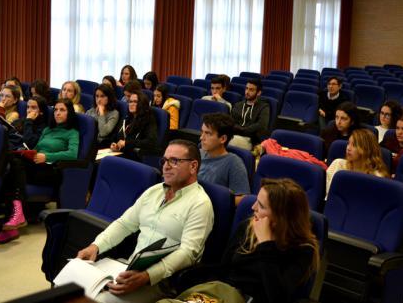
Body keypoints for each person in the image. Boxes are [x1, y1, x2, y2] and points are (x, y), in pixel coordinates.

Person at [76, 140, 214, 303]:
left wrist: (147, 276)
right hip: (130, 268)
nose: (166, 166)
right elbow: (125, 224)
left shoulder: (200, 204)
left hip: (161, 283)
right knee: (72, 289)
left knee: (97, 300)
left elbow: (188, 253)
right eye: (164, 160)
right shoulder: (154, 191)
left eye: (174, 161)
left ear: (193, 166)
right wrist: (96, 246)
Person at [157, 178, 319, 303]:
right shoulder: (247, 228)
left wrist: (266, 245)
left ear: (281, 216)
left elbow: (277, 297)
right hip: (221, 292)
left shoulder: (303, 249)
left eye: (261, 206)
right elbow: (225, 268)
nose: (253, 207)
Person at [0, 98, 80, 243]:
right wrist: (30, 154)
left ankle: (14, 219)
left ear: (69, 113)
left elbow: (73, 154)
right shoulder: (48, 129)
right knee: (10, 169)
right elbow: (37, 148)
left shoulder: (72, 133)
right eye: (56, 110)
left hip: (51, 170)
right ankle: (13, 220)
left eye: (62, 110)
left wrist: (47, 156)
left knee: (14, 166)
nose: (57, 113)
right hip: (36, 166)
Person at [325, 129, 389, 197]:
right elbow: (328, 196)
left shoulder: (377, 177)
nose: (348, 148)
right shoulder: (338, 164)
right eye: (348, 143)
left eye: (354, 145)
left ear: (366, 149)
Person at [198, 113, 250, 197]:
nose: (201, 138)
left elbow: (243, 198)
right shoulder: (198, 153)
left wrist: (218, 199)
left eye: (208, 133)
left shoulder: (234, 163)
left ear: (222, 139)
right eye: (202, 132)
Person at [111, 92, 158, 162]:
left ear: (142, 103)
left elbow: (150, 142)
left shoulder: (149, 119)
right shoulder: (128, 118)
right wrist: (114, 144)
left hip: (135, 157)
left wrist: (126, 143)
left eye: (135, 102)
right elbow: (117, 136)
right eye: (130, 101)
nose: (131, 104)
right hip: (122, 153)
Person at [229, 79, 270, 150]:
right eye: (246, 88)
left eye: (251, 90)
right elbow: (230, 121)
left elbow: (261, 125)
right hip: (234, 135)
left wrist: (241, 130)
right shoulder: (238, 105)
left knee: (229, 142)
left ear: (258, 93)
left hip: (251, 140)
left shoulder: (264, 107)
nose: (247, 92)